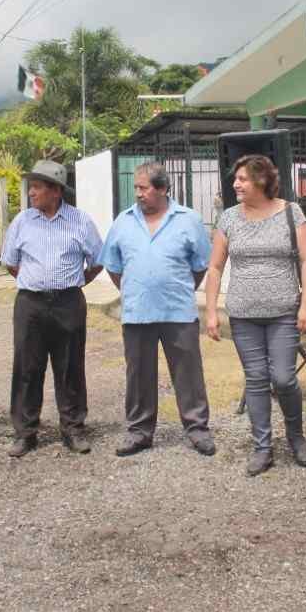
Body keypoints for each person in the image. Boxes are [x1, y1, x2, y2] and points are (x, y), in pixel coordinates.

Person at [204, 154, 306, 476]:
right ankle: (262, 447)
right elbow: (215, 267)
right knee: (255, 379)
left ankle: (296, 437)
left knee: (283, 378)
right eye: (235, 179)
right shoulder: (229, 218)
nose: (235, 184)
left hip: (283, 312)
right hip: (243, 315)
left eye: (242, 179)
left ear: (262, 181)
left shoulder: (291, 212)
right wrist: (211, 312)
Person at [98, 162, 215, 457]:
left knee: (188, 373)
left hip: (178, 311)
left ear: (163, 189)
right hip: (137, 312)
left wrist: (176, 288)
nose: (138, 193)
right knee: (138, 375)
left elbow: (201, 265)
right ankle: (139, 432)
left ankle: (197, 429)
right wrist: (135, 289)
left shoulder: (189, 220)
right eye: (136, 188)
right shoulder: (123, 221)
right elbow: (113, 266)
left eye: (144, 188)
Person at [1, 160, 104, 457]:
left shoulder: (80, 221)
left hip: (68, 302)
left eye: (37, 187)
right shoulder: (22, 221)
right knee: (27, 368)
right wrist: (36, 282)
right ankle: (25, 433)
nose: (31, 192)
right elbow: (10, 262)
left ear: (56, 191)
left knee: (70, 367)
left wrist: (73, 283)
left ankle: (73, 428)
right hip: (30, 304)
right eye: (31, 187)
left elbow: (97, 261)